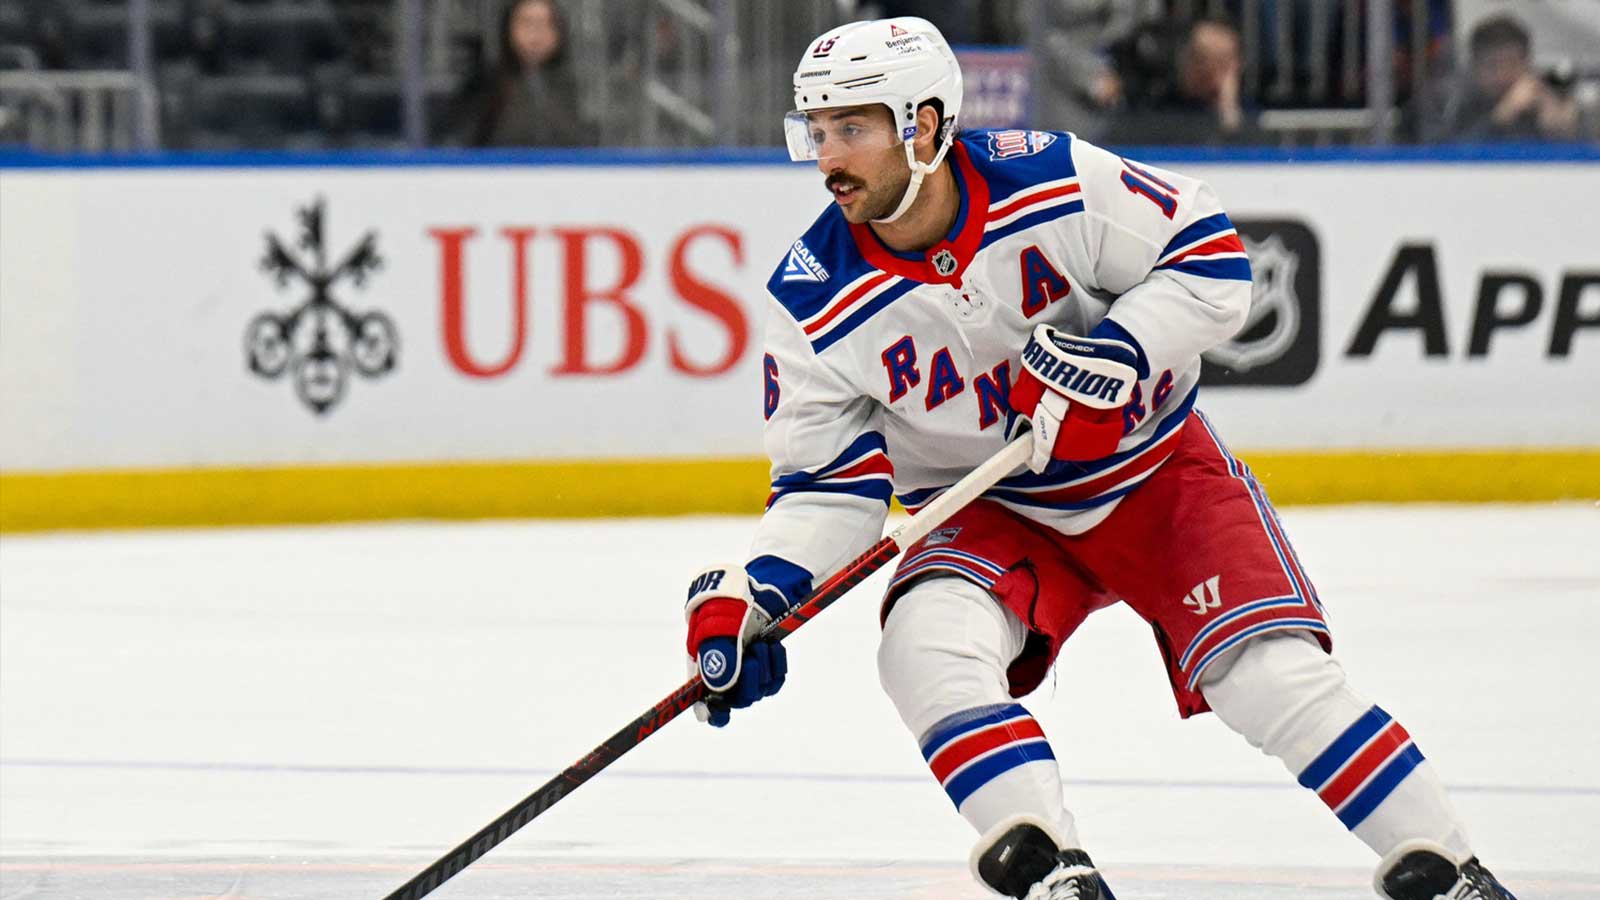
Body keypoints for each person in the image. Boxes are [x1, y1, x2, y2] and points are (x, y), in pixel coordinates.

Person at [679, 17, 1522, 900]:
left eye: (851, 128)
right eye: (815, 131)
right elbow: (827, 489)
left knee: (1265, 674)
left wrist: (1118, 354)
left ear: (923, 125)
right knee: (924, 645)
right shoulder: (811, 301)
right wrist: (760, 594)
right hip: (994, 509)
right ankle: (1055, 873)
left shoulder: (1050, 178)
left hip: (1154, 473)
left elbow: (1210, 256)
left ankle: (1452, 870)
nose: (827, 158)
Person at [1422, 13, 1582, 143]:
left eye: (1513, 64)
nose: (1503, 76)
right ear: (1475, 67)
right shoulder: (1449, 102)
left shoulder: (1544, 97)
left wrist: (1564, 131)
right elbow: (1443, 157)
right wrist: (1500, 118)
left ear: (1528, 63)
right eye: (1492, 66)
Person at [1103, 17, 1261, 147]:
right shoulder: (1153, 100)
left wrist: (1228, 111)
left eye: (1222, 62)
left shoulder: (1252, 108)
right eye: (1200, 57)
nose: (1208, 69)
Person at [453, 0, 590, 148]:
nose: (537, 33)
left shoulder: (573, 87)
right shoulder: (487, 84)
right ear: (508, 29)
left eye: (547, 23)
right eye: (527, 23)